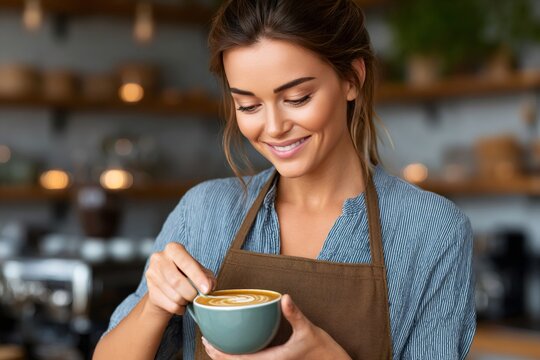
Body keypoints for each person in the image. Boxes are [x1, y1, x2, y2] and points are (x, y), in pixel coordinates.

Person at [93, 0, 476, 359]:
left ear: (352, 79)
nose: (274, 128)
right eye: (248, 105)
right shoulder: (204, 213)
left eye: (297, 98)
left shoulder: (431, 230)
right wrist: (153, 307)